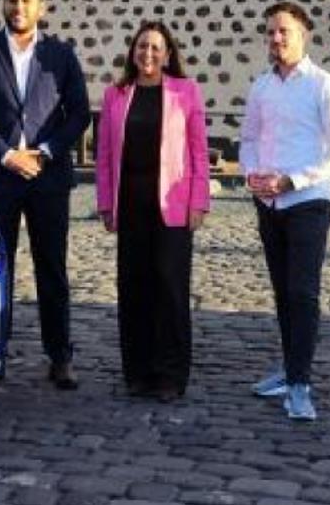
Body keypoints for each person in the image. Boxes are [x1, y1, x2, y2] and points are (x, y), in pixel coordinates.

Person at [0, 0, 91, 389]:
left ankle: (60, 356)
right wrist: (7, 154)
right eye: (13, 0)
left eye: (27, 1)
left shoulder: (61, 56)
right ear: (4, 3)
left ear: (42, 7)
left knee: (53, 270)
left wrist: (44, 152)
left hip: (48, 179)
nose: (19, 8)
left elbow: (79, 113)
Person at [239, 1, 330, 421]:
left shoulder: (325, 86)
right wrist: (251, 174)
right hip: (268, 204)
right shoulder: (261, 87)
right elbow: (248, 139)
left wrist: (293, 181)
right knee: (283, 292)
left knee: (303, 292)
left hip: (307, 201)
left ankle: (300, 384)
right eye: (270, 32)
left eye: (284, 31)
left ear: (304, 35)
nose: (276, 39)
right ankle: (288, 368)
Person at [95, 21, 209, 403]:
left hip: (173, 207)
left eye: (156, 48)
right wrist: (106, 203)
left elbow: (198, 153)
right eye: (142, 46)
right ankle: (138, 372)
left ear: (168, 53)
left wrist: (199, 201)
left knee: (170, 291)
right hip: (130, 207)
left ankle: (171, 374)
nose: (148, 54)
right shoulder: (116, 94)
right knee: (133, 290)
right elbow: (105, 155)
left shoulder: (186, 91)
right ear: (132, 51)